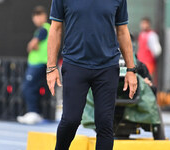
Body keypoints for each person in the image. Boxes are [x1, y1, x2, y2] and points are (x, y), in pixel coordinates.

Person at [47, 0, 137, 149]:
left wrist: (131, 70)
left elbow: (122, 30)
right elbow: (55, 28)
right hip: (75, 64)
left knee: (105, 123)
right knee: (71, 120)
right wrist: (51, 67)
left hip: (107, 68)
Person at [17, 6, 50, 124]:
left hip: (38, 64)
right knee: (34, 88)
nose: (36, 19)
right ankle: (35, 112)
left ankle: (33, 112)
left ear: (44, 16)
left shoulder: (43, 29)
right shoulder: (42, 30)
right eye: (35, 16)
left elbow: (31, 46)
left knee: (28, 87)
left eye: (39, 15)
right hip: (38, 64)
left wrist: (32, 45)